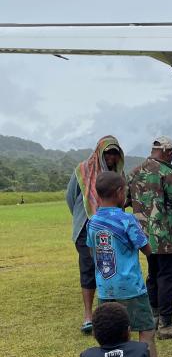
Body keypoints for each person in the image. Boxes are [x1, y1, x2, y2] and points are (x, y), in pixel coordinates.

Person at [86, 170, 172, 357]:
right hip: (131, 289)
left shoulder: (93, 222)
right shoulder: (126, 219)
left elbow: (93, 252)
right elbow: (147, 248)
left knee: (115, 338)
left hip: (105, 289)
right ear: (121, 193)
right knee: (146, 333)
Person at [127, 136, 172, 340]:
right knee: (169, 277)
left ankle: (153, 316)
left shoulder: (134, 172)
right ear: (166, 151)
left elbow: (125, 200)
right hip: (168, 238)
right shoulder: (167, 173)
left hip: (144, 237)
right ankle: (167, 323)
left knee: (154, 274)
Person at [66, 135, 124, 334]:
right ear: (99, 152)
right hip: (86, 228)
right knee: (89, 268)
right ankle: (89, 316)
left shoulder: (118, 173)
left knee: (111, 266)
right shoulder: (82, 170)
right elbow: (70, 197)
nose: (111, 157)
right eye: (108, 152)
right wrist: (86, 215)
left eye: (115, 153)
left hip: (111, 229)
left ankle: (111, 312)